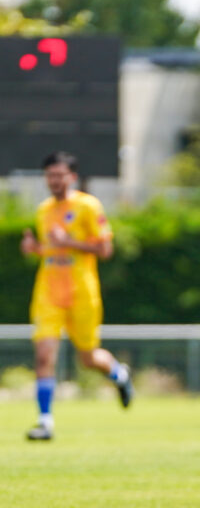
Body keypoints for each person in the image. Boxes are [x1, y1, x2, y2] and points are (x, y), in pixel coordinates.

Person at [19, 151, 133, 441]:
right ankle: (45, 422)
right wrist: (36, 249)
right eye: (50, 175)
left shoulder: (88, 206)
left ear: (72, 176)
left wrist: (69, 241)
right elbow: (52, 250)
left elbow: (105, 250)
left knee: (88, 358)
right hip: (48, 292)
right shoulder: (44, 210)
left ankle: (119, 375)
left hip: (82, 292)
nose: (54, 181)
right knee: (44, 356)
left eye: (59, 175)